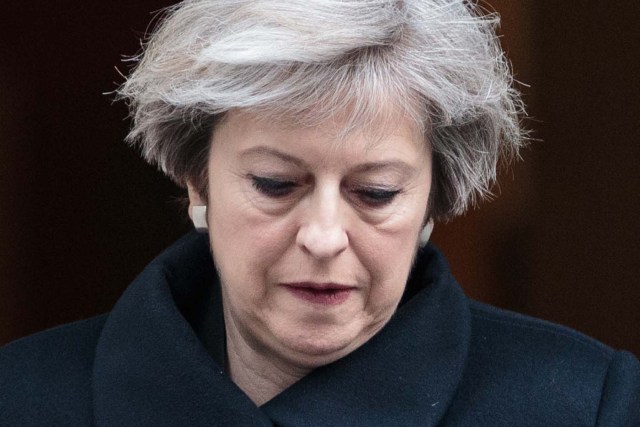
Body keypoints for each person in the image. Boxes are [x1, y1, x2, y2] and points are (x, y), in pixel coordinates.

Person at [1, 0, 638, 425]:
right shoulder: (23, 397)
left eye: (376, 193)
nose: (325, 236)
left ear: (433, 200)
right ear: (196, 181)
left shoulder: (586, 405)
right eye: (276, 184)